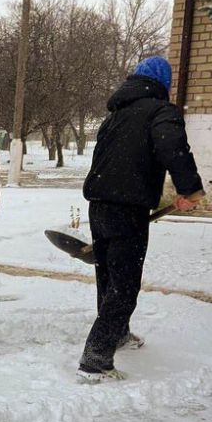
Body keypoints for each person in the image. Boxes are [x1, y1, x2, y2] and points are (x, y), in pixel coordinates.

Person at [78, 56, 203, 383]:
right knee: (124, 285)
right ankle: (96, 358)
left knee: (107, 276)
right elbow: (172, 149)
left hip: (99, 205)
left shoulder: (115, 115)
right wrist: (190, 190)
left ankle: (117, 332)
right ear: (164, 83)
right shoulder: (162, 111)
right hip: (127, 209)